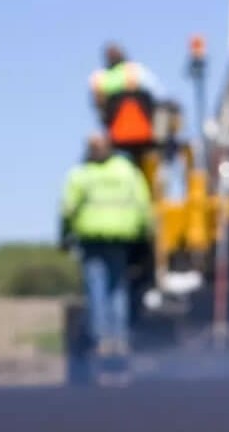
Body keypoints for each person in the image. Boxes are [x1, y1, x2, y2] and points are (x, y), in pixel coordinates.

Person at [59, 133, 154, 366]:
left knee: (97, 289)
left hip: (92, 238)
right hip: (121, 237)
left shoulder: (81, 175)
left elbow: (67, 208)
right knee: (116, 288)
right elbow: (143, 204)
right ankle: (118, 340)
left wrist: (64, 236)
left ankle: (102, 340)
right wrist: (146, 235)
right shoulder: (127, 172)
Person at [89, 43, 161, 160]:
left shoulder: (98, 77)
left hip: (115, 134)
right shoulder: (134, 69)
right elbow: (156, 94)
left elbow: (98, 105)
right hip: (144, 131)